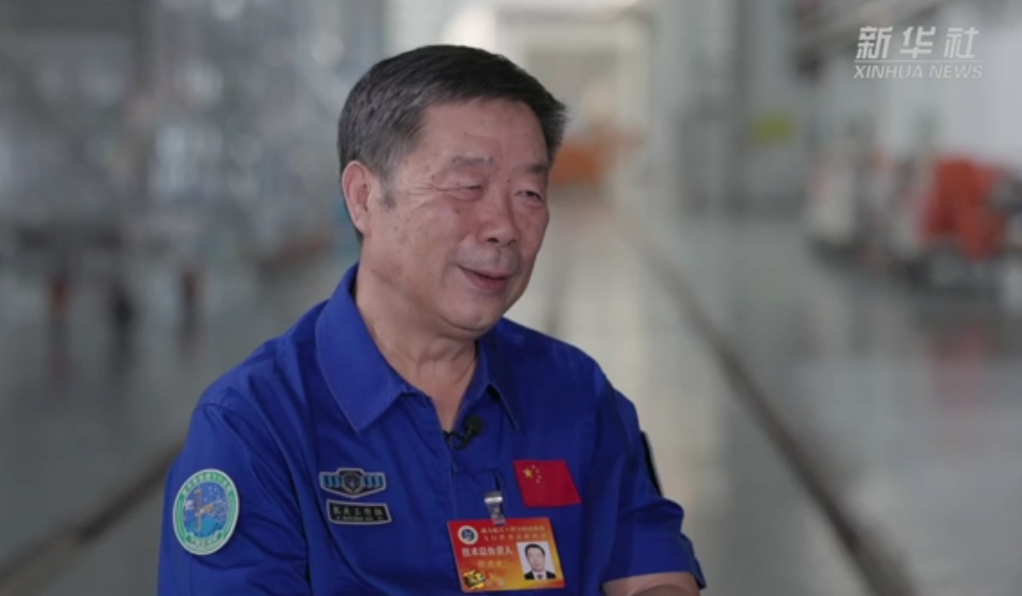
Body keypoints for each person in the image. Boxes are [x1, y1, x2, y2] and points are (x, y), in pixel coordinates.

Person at [157, 44, 706, 596]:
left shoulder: (577, 395)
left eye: (529, 193)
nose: (504, 226)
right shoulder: (255, 427)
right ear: (364, 198)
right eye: (468, 186)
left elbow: (652, 572)